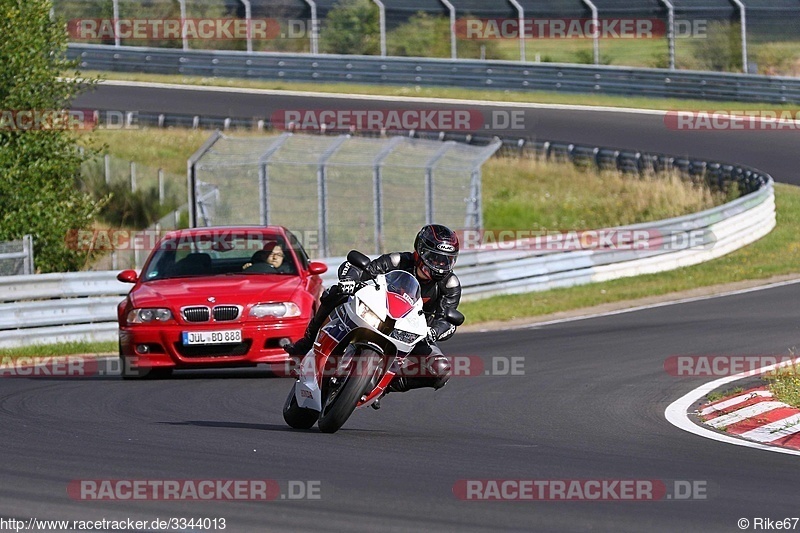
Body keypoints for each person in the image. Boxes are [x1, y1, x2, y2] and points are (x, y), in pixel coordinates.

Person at [284, 224, 462, 396]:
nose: (439, 265)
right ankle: (306, 344)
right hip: (378, 312)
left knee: (440, 370)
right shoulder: (399, 260)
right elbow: (364, 269)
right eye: (434, 258)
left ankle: (383, 386)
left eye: (446, 260)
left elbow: (447, 319)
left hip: (414, 333)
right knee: (334, 293)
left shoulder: (450, 284)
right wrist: (350, 280)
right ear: (420, 252)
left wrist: (435, 331)